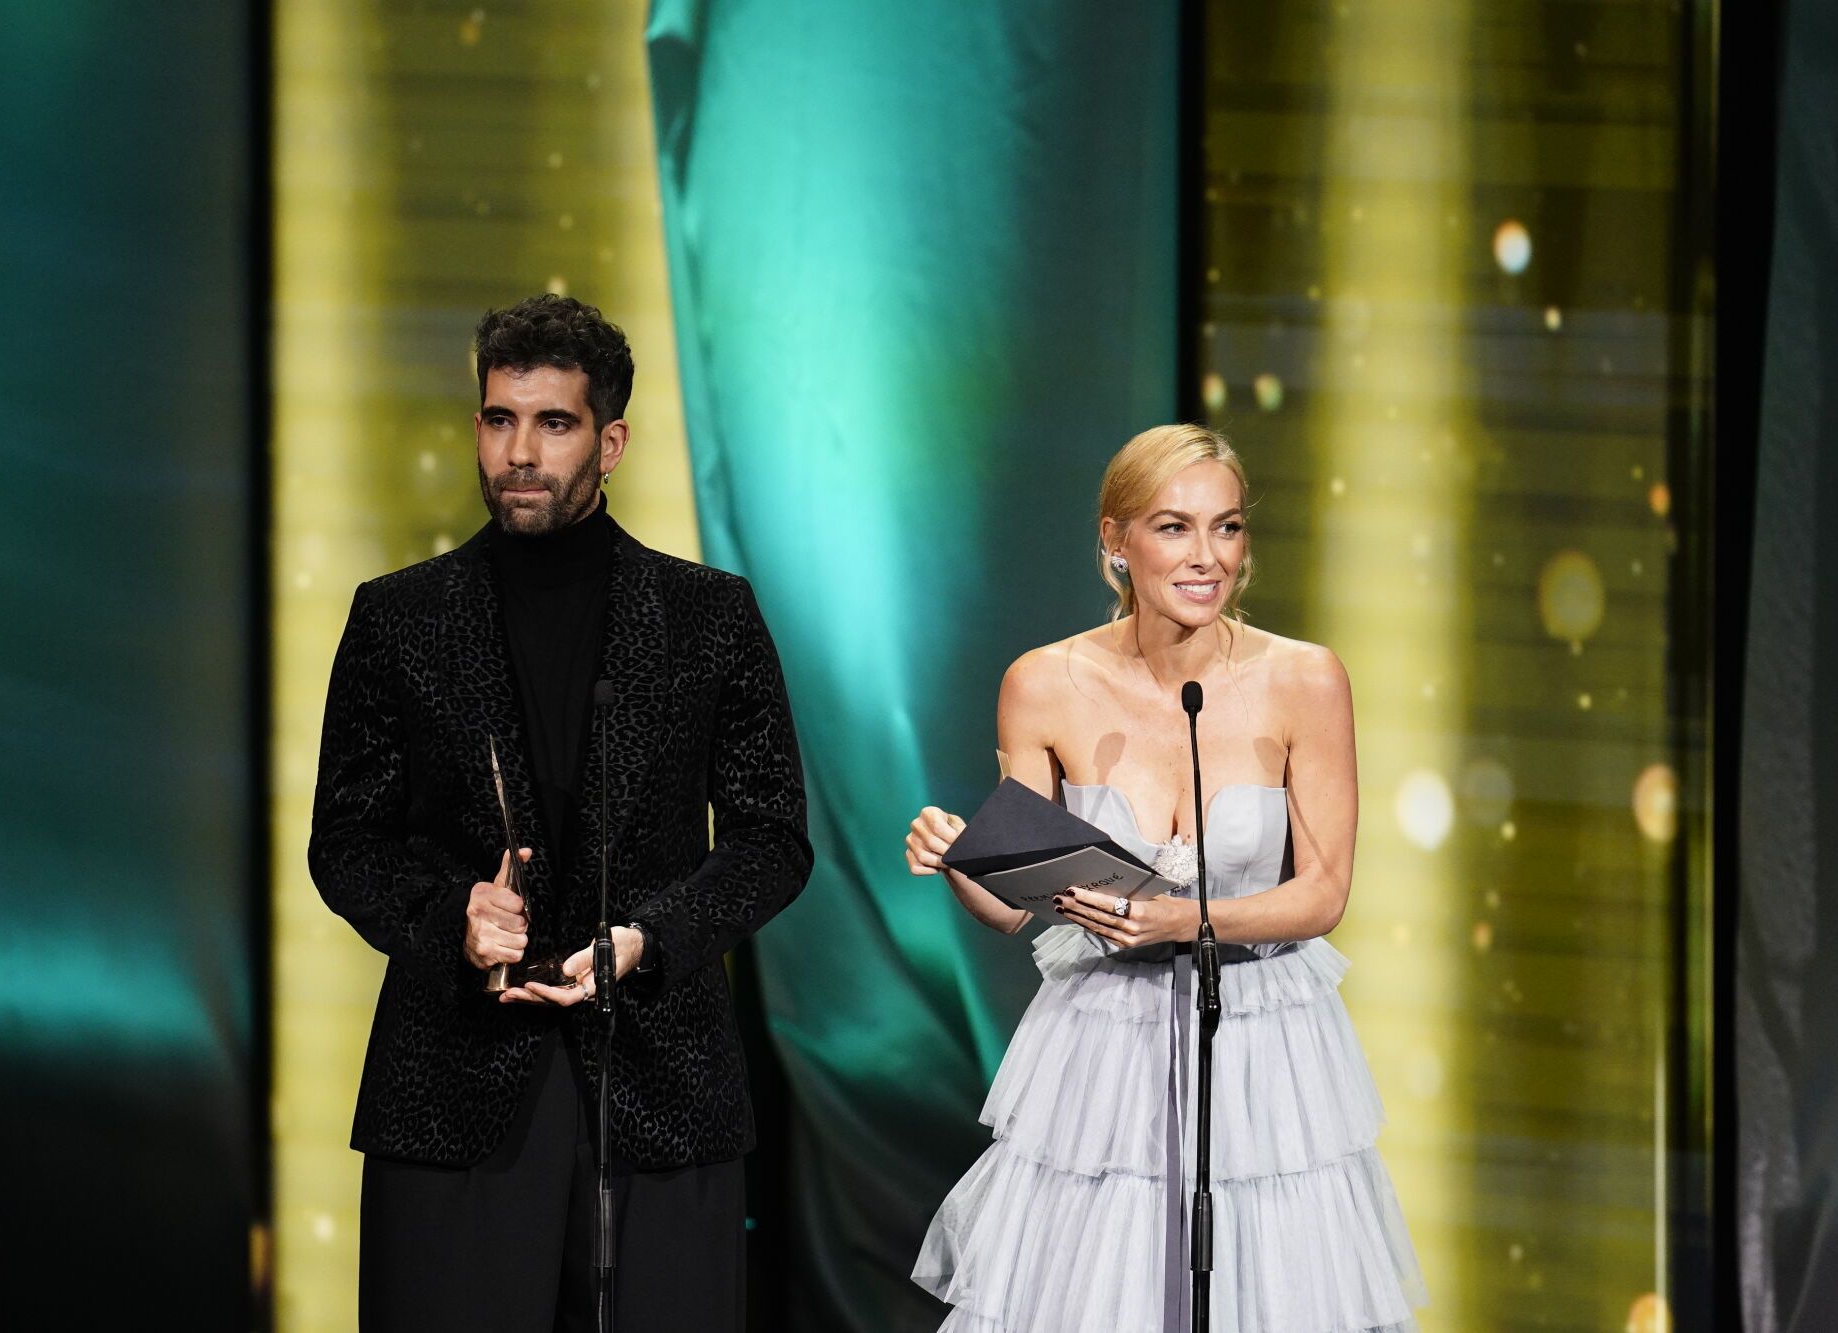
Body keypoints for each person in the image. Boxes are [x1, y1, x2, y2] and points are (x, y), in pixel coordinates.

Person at [310, 293, 812, 1332]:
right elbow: (345, 842)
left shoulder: (708, 617)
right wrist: (451, 913)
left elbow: (770, 839)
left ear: (610, 439)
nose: (519, 453)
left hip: (658, 1082)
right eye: (498, 420)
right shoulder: (397, 618)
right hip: (451, 1083)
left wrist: (646, 941)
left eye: (553, 423)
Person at [905, 425, 1425, 1332]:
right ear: (1116, 541)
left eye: (1226, 528)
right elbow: (1012, 909)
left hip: (1262, 1038)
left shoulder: (1306, 679)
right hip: (1104, 1051)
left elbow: (1324, 892)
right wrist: (958, 860)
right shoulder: (1044, 683)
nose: (1206, 557)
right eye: (1174, 527)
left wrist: (1183, 921)